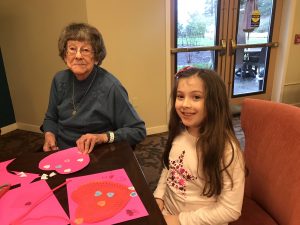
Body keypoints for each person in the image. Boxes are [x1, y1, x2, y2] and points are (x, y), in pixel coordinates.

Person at [153, 67, 245, 225]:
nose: (185, 104)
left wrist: (179, 220)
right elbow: (170, 167)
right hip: (168, 212)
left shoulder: (228, 150)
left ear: (214, 103)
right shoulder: (180, 131)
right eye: (180, 96)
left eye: (196, 97)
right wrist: (159, 195)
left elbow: (231, 209)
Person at [42, 22, 146, 154]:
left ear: (96, 56)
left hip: (96, 154)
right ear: (64, 54)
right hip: (62, 152)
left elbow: (138, 130)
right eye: (72, 49)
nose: (78, 56)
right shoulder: (59, 80)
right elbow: (51, 118)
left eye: (85, 50)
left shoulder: (111, 87)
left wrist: (103, 137)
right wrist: (49, 135)